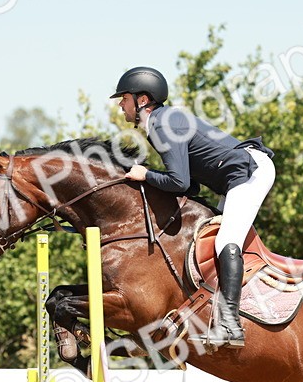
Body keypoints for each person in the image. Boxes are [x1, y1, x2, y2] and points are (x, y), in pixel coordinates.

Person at [112, 66, 275, 349]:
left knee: (226, 238)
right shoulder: (160, 122)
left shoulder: (162, 124)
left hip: (249, 171)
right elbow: (190, 187)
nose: (119, 105)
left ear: (141, 100)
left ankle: (230, 325)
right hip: (235, 176)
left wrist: (145, 175)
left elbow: (178, 182)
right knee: (209, 237)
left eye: (123, 98)